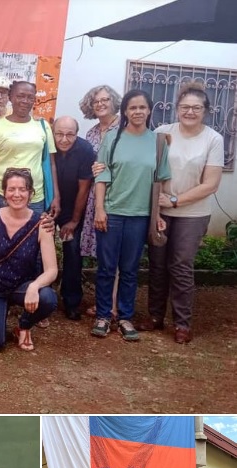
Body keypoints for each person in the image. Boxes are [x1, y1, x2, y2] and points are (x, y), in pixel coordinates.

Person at [139, 82, 224, 344]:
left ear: (206, 110)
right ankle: (155, 317)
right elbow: (145, 166)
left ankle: (182, 323)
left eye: (196, 108)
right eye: (185, 107)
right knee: (158, 264)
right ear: (176, 109)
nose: (190, 112)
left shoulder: (213, 138)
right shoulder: (163, 132)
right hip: (160, 211)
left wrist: (174, 200)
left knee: (181, 266)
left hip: (192, 213)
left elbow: (210, 184)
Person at [92, 89, 170, 342]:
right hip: (112, 212)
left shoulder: (157, 142)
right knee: (106, 268)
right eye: (132, 108)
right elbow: (102, 176)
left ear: (149, 110)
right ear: (124, 111)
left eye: (142, 107)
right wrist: (100, 209)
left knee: (129, 270)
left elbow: (161, 180)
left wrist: (158, 214)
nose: (137, 112)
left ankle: (125, 317)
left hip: (140, 216)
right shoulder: (112, 138)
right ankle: (103, 316)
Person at [0, 168, 58, 351]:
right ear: (4, 192)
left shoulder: (41, 223)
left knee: (47, 298)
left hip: (21, 287)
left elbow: (52, 270)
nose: (17, 194)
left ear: (30, 193)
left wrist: (34, 286)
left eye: (22, 189)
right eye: (11, 189)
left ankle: (24, 326)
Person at [0, 80, 60, 217]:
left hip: (35, 196)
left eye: (30, 97)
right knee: (1, 237)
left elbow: (51, 164)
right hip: (1, 195)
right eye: (20, 96)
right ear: (11, 97)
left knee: (31, 236)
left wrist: (56, 196)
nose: (25, 101)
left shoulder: (43, 126)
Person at [53, 117, 96, 320]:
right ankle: (37, 295)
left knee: (73, 250)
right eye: (59, 134)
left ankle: (71, 301)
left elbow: (84, 188)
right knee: (36, 249)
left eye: (70, 134)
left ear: (77, 134)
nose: (64, 139)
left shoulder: (85, 150)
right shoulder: (46, 145)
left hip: (73, 208)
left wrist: (74, 221)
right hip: (48, 204)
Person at [78, 85, 122, 270]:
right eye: (96, 101)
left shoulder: (124, 128)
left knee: (117, 251)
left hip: (118, 194)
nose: (100, 104)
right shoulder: (92, 133)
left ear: (114, 101)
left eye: (105, 99)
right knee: (103, 253)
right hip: (95, 196)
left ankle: (114, 297)